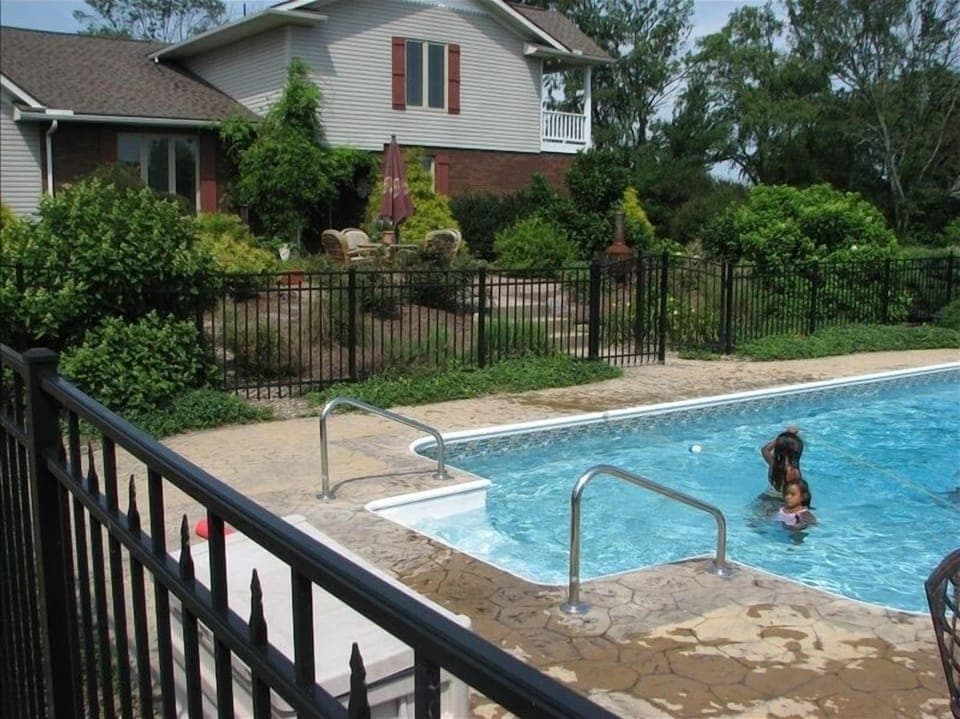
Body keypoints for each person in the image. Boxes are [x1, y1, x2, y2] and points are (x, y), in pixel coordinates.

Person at [761, 426, 804, 494]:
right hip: (783, 498)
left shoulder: (773, 463)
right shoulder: (793, 472)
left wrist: (784, 437)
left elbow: (765, 449)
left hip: (769, 494)